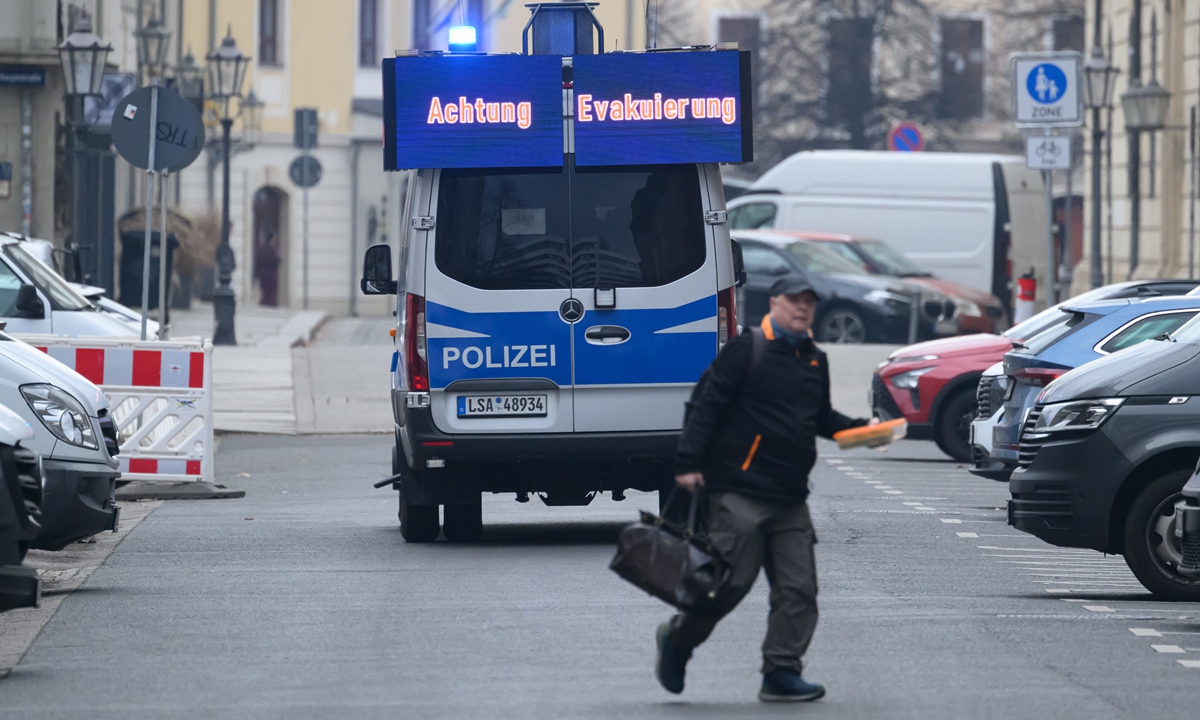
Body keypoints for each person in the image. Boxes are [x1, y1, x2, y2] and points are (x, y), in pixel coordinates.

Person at [655, 273, 875, 702]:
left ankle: (780, 672)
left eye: (809, 302)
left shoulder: (815, 359)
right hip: (738, 491)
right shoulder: (747, 350)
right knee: (727, 585)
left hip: (790, 497)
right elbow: (706, 404)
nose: (803, 308)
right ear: (774, 302)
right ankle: (678, 639)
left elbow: (822, 419)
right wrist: (687, 462)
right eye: (795, 300)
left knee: (799, 590)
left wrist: (869, 432)